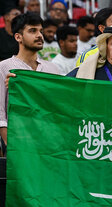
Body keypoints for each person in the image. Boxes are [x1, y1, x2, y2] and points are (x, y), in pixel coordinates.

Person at [0, 13, 59, 147]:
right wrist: (10, 144)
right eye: (32, 31)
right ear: (18, 37)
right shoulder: (4, 67)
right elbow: (0, 114)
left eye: (41, 31)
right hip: (19, 140)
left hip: (48, 141)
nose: (39, 35)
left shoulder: (52, 69)